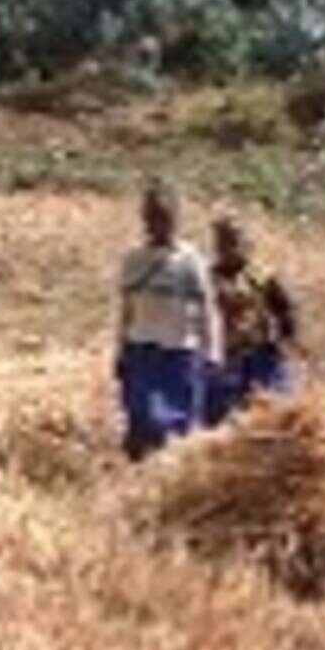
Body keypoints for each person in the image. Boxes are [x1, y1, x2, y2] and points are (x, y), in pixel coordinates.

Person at [113, 181, 219, 459]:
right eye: (152, 218)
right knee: (142, 419)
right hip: (143, 349)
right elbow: (127, 309)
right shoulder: (134, 259)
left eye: (164, 218)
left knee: (179, 429)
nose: (158, 224)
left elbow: (207, 309)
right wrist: (121, 349)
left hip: (180, 353)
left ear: (175, 219)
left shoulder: (190, 261)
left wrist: (212, 352)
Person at [207, 211, 301, 420]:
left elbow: (286, 308)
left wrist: (285, 339)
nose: (231, 248)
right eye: (225, 242)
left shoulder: (260, 275)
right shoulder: (209, 278)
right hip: (226, 358)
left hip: (260, 356)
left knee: (273, 412)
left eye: (236, 241)